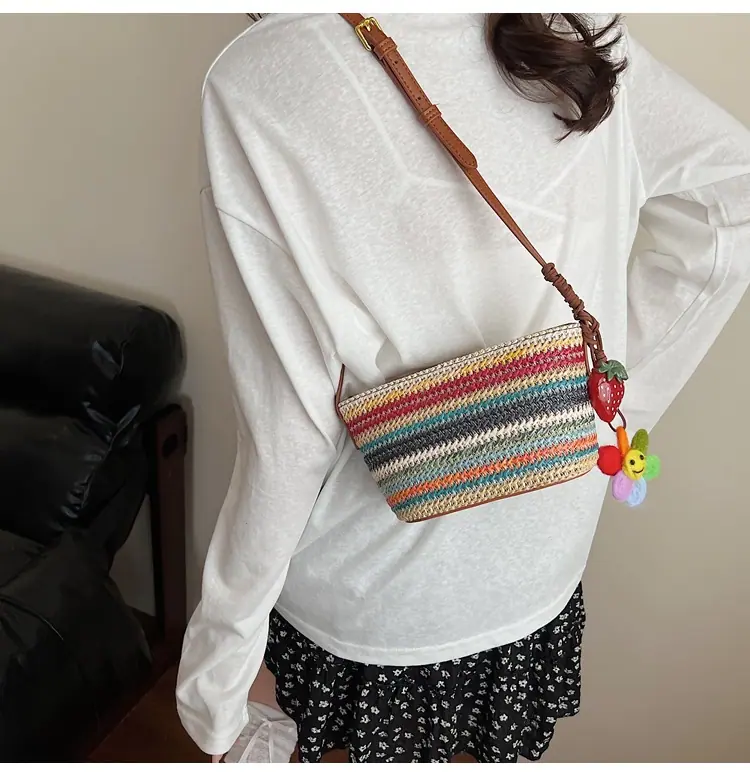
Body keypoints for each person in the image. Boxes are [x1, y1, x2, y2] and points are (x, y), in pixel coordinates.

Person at [176, 13, 750, 763]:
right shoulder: (568, 23)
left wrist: (216, 683)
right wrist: (607, 401)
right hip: (540, 569)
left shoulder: (261, 78)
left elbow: (286, 435)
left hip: (371, 595)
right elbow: (728, 204)